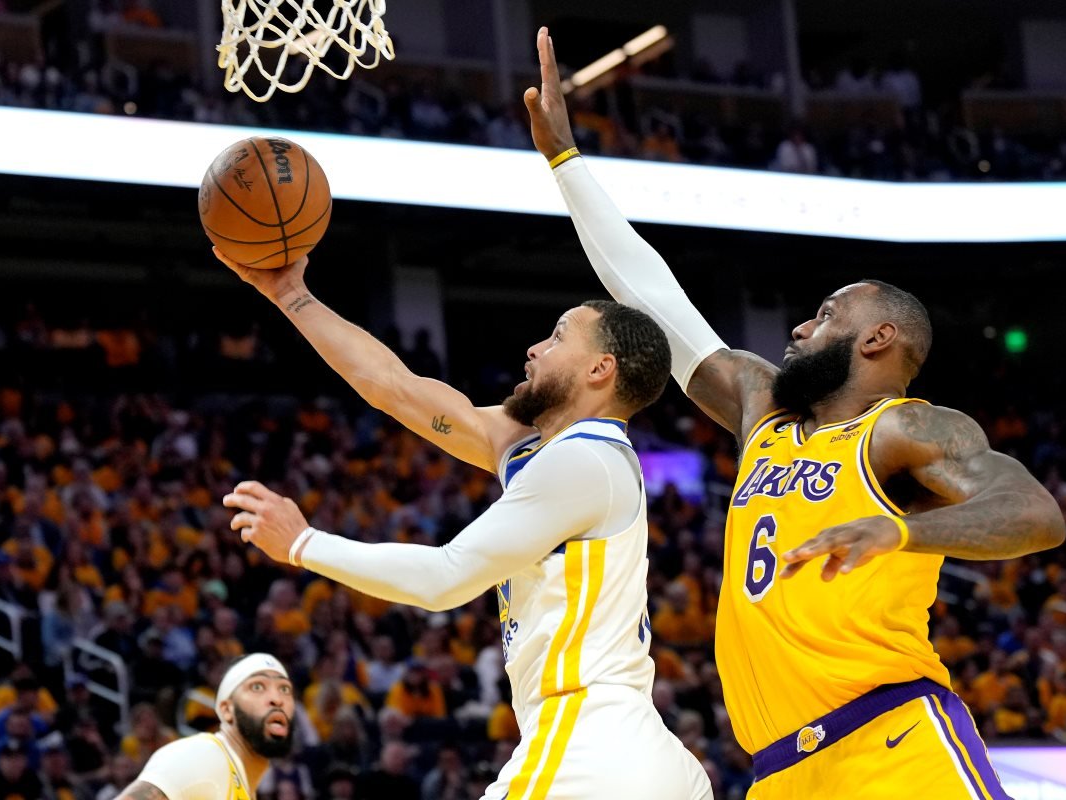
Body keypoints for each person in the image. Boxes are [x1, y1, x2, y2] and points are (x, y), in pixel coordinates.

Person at [523, 26, 1066, 799]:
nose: (801, 327)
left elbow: (1034, 513)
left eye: (826, 313)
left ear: (878, 339)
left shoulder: (903, 431)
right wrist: (567, 165)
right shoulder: (761, 407)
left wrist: (902, 529)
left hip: (894, 743)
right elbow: (652, 298)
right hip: (780, 771)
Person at [214, 248, 711, 800]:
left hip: (588, 737)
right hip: (636, 749)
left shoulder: (584, 460)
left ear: (600, 369)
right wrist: (291, 295)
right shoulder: (540, 449)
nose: (535, 348)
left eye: (558, 336)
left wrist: (303, 544)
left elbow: (443, 578)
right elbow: (393, 387)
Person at [112, 653, 295, 800]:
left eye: (284, 689)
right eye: (257, 687)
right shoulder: (202, 756)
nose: (276, 699)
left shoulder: (239, 781)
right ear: (226, 709)